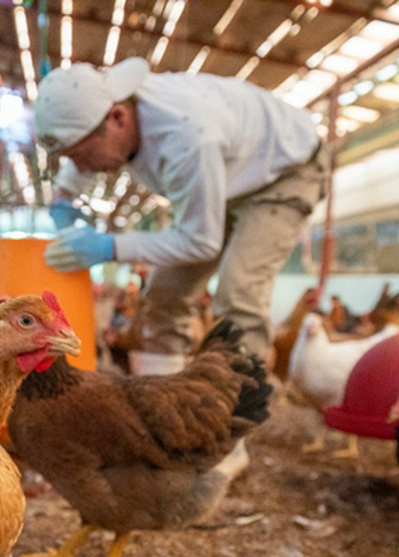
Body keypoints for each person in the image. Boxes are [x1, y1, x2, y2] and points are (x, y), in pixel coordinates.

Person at [34, 57, 327, 377]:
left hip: (286, 172)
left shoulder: (185, 138)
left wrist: (111, 247)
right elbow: (87, 139)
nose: (81, 167)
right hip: (229, 176)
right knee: (163, 293)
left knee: (238, 292)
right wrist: (64, 195)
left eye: (80, 156)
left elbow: (201, 242)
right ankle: (165, 398)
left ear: (117, 117)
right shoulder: (112, 103)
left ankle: (245, 402)